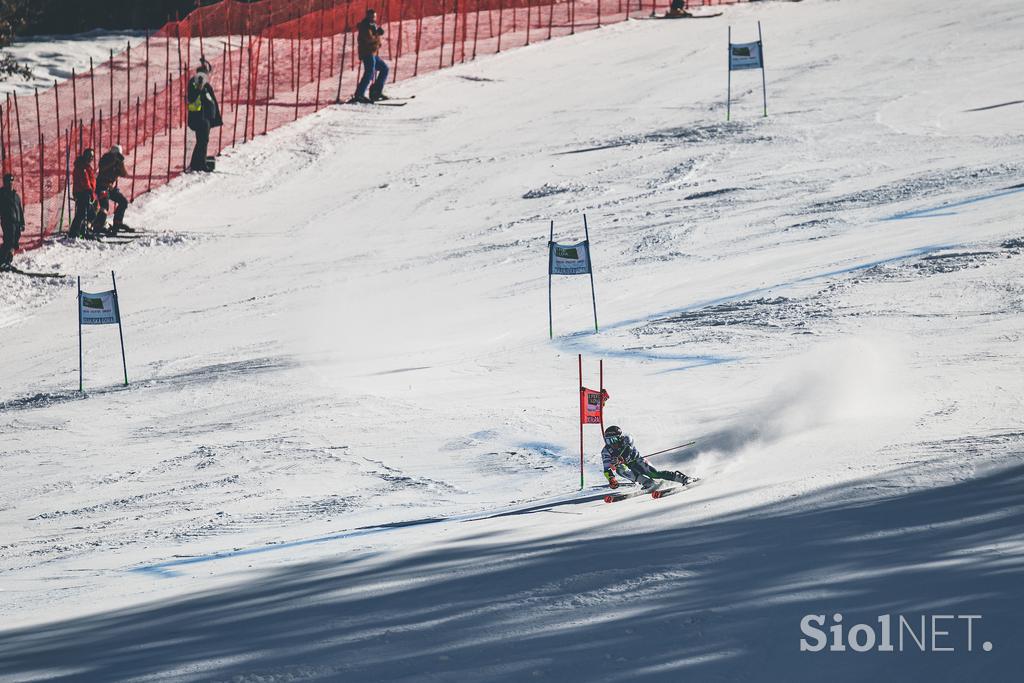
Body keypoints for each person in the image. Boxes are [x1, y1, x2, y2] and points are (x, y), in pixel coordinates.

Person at [602, 425, 693, 491]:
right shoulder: (606, 451)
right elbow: (606, 469)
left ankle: (682, 478)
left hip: (637, 461)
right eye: (608, 441)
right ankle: (648, 483)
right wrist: (611, 479)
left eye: (613, 440)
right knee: (620, 469)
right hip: (627, 466)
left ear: (619, 437)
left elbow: (628, 450)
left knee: (654, 474)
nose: (611, 443)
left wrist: (621, 459)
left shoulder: (626, 439)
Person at [186, 56, 222, 172]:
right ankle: (200, 165)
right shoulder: (194, 83)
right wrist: (199, 88)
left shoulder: (204, 84)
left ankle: (196, 163)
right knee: (202, 140)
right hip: (199, 117)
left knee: (202, 140)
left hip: (205, 117)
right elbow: (192, 97)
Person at [354, 8, 389, 103]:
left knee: (384, 68)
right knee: (369, 73)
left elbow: (375, 39)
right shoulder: (365, 26)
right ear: (368, 16)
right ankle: (359, 95)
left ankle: (376, 92)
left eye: (375, 16)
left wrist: (378, 36)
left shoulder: (372, 25)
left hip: (372, 53)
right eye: (373, 16)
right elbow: (369, 39)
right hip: (367, 53)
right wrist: (378, 34)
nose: (374, 18)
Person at [93, 144, 130, 234]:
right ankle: (98, 225)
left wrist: (121, 163)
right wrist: (113, 161)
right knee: (104, 206)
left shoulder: (117, 163)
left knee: (123, 201)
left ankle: (118, 222)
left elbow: (124, 174)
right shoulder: (105, 159)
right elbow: (102, 169)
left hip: (110, 188)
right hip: (102, 186)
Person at [70, 148, 97, 238]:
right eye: (90, 156)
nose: (91, 158)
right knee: (82, 213)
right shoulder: (81, 167)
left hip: (86, 192)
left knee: (89, 213)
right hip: (82, 192)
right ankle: (75, 232)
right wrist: (89, 191)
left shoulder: (86, 166)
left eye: (92, 156)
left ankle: (82, 230)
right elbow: (85, 181)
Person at [0, 172, 24, 270]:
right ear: (4, 183)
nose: (10, 184)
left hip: (17, 223)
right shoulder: (2, 195)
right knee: (8, 242)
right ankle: (2, 261)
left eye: (11, 181)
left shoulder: (16, 196)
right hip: (7, 222)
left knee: (14, 243)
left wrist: (22, 223)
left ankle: (8, 261)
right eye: (8, 182)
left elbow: (20, 210)